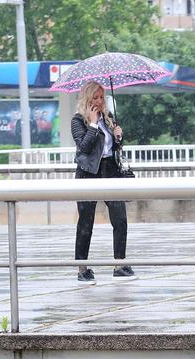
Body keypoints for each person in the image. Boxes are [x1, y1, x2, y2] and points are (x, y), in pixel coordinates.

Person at [70, 81, 133, 281]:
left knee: (120, 218)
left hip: (110, 170)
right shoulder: (78, 120)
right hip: (88, 173)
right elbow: (84, 148)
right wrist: (92, 124)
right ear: (87, 99)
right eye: (95, 97)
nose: (99, 101)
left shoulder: (108, 117)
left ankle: (119, 264)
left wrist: (118, 137)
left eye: (101, 97)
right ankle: (82, 269)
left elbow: (113, 148)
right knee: (85, 222)